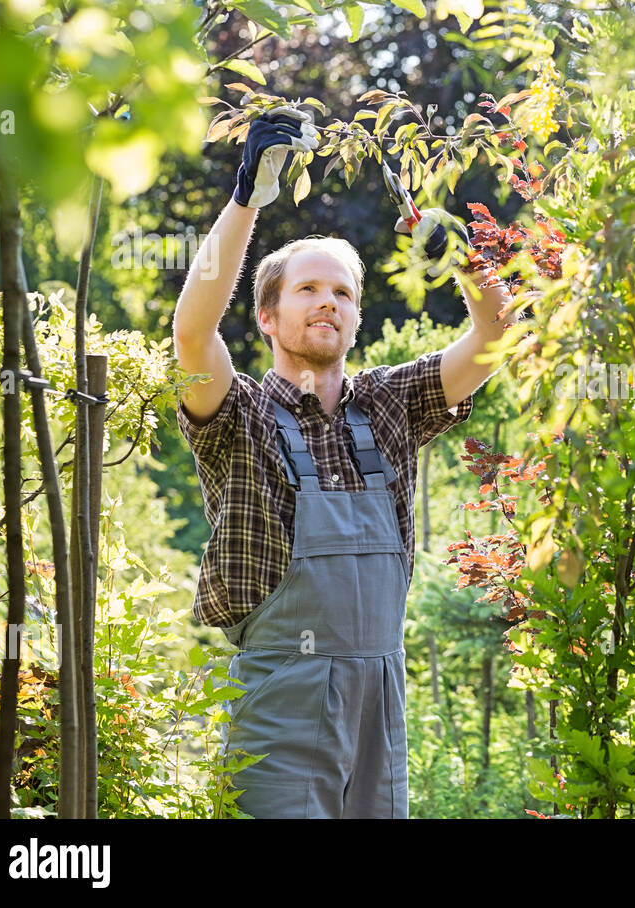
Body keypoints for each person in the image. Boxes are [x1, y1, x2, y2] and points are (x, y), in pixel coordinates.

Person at [172, 106, 513, 818]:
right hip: (279, 701)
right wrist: (246, 200)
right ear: (267, 317)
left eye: (342, 293)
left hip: (377, 707)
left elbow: (494, 335)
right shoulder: (238, 415)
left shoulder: (389, 406)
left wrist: (453, 251)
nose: (327, 302)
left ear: (356, 318)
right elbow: (192, 328)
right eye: (307, 289)